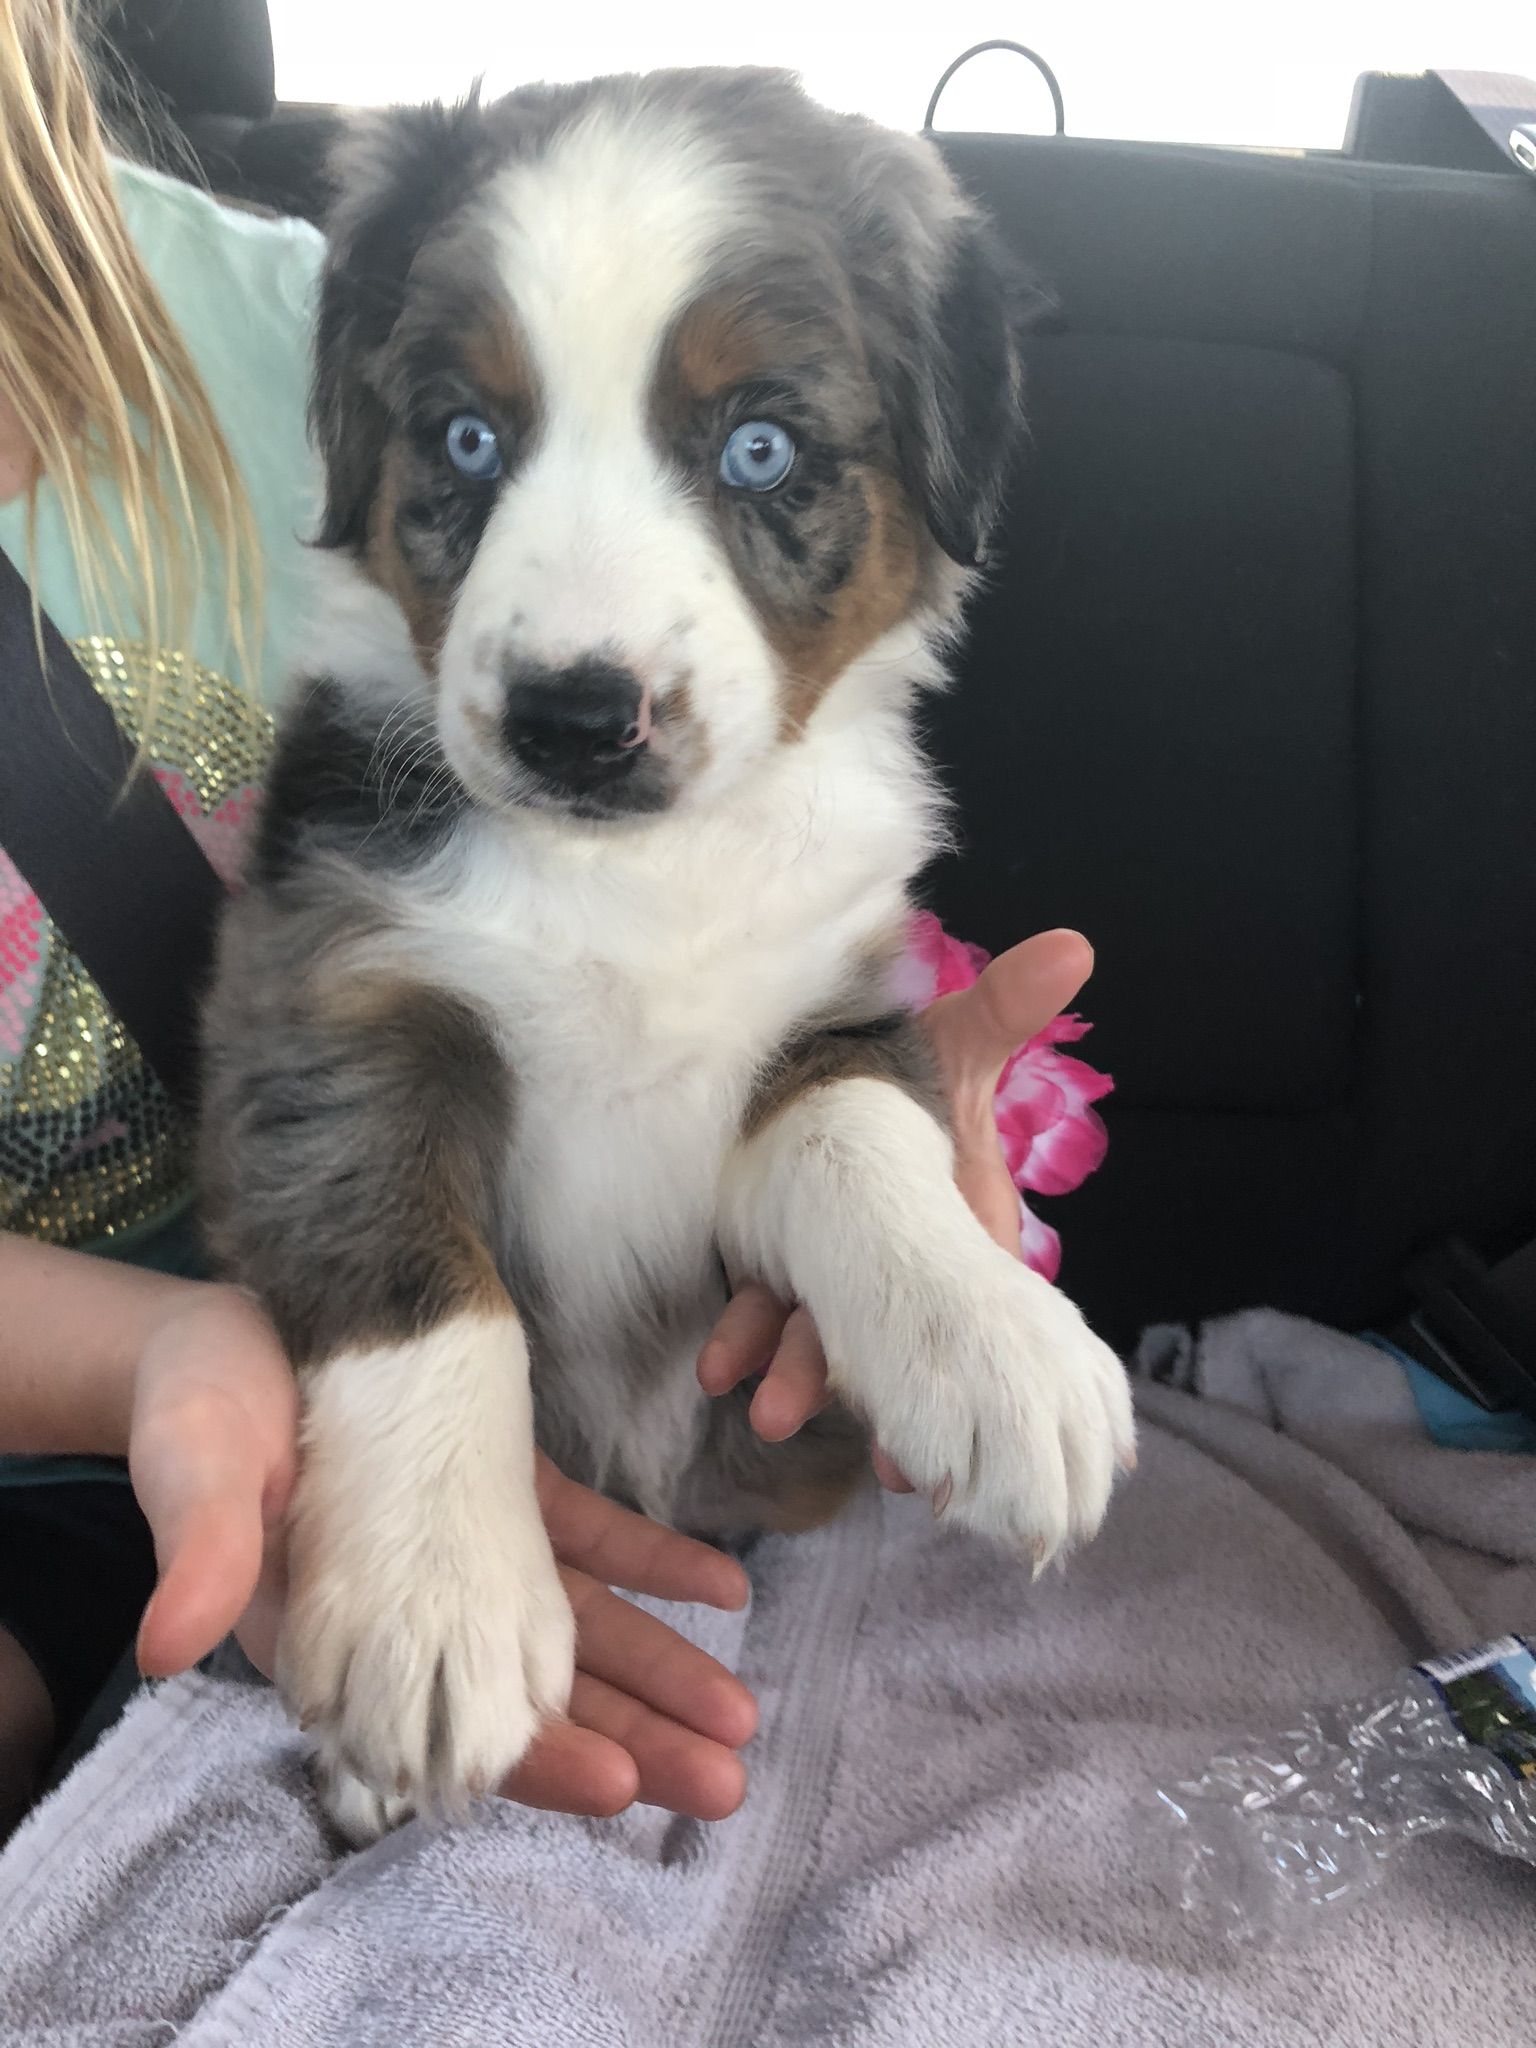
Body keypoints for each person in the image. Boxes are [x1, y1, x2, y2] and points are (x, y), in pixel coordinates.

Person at [0, 0, 1099, 1834]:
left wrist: (890, 1204)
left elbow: (774, 1066)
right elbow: (356, 1070)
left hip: (369, 1453)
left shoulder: (291, 305)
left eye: (759, 451)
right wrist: (260, 1386)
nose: (583, 639)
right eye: (469, 441)